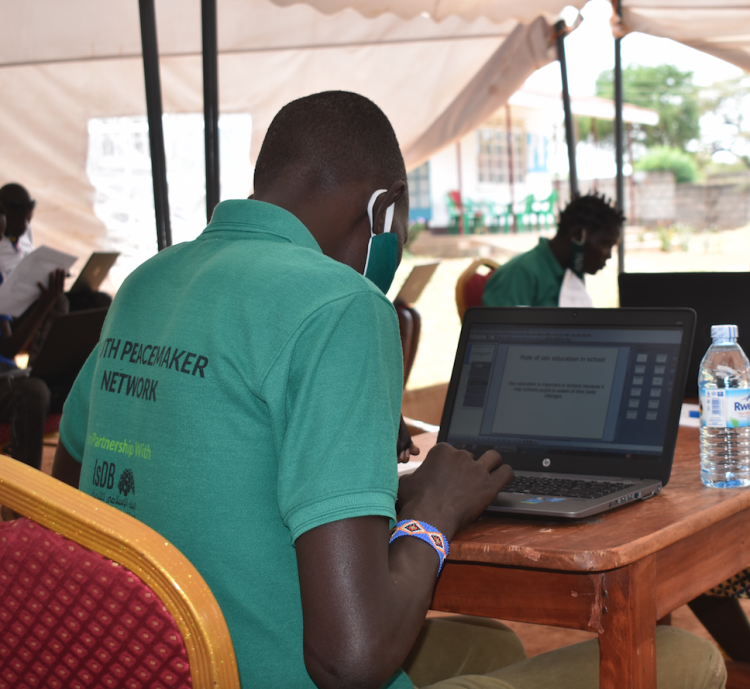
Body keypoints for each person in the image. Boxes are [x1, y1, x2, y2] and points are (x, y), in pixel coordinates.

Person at [52, 92, 724, 688]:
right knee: (681, 656)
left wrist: (367, 486)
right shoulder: (339, 303)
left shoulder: (148, 282)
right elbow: (352, 658)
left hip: (158, 662)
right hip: (286, 670)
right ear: (384, 206)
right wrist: (433, 509)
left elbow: (77, 494)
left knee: (488, 642)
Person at [0, 202, 64, 471]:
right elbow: (9, 348)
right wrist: (43, 305)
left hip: (7, 373)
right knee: (33, 392)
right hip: (7, 377)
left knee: (69, 383)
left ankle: (78, 497)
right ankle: (25, 503)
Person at [482, 193, 623, 308]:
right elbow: (497, 335)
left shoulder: (571, 271)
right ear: (578, 236)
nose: (609, 255)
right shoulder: (520, 274)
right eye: (605, 245)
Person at [0, 182, 112, 311]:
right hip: (16, 304)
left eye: (29, 211)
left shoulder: (26, 233)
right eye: (18, 209)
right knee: (59, 304)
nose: (24, 225)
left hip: (37, 294)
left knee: (101, 300)